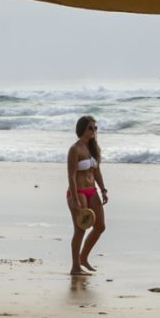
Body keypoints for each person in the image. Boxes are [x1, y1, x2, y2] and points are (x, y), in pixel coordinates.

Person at [65, 115, 110, 275]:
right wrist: (75, 199)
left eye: (95, 128)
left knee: (100, 227)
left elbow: (96, 171)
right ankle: (75, 267)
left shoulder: (93, 148)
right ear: (82, 129)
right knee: (80, 229)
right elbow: (71, 176)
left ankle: (83, 257)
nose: (94, 131)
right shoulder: (75, 149)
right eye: (91, 127)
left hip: (92, 191)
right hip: (78, 192)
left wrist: (103, 189)